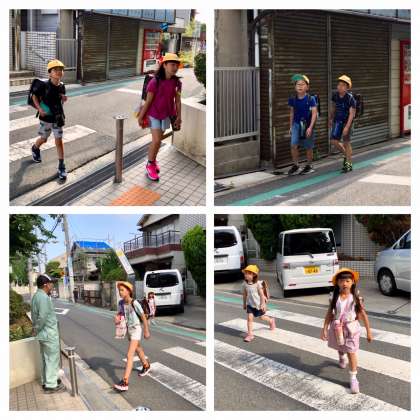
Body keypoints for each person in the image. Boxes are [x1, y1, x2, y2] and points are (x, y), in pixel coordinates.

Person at [321, 268, 373, 394]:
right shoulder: (334, 297)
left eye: (347, 281)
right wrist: (325, 328)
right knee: (340, 346)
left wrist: (368, 331)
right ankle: (341, 356)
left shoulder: (356, 298)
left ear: (352, 282)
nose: (344, 283)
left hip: (352, 329)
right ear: (337, 283)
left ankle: (353, 378)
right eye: (341, 281)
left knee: (351, 352)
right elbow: (330, 313)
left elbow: (363, 314)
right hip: (338, 328)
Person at [137, 53, 182, 181]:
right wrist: (141, 117)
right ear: (164, 65)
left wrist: (179, 117)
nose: (175, 68)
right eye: (172, 65)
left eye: (176, 65)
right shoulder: (155, 82)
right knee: (156, 140)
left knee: (159, 140)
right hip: (154, 114)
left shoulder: (177, 83)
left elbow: (178, 101)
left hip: (167, 115)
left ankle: (153, 160)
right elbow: (148, 101)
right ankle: (150, 164)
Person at [30, 59, 68, 181]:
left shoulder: (62, 86)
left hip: (57, 118)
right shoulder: (44, 86)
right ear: (50, 73)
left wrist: (63, 98)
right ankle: (35, 148)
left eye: (61, 69)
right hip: (46, 118)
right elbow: (34, 96)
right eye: (55, 70)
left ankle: (61, 166)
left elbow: (60, 100)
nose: (59, 71)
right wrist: (39, 108)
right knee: (44, 139)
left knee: (59, 141)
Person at [114, 281, 151, 392]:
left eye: (122, 290)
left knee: (130, 355)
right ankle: (146, 365)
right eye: (119, 290)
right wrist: (117, 318)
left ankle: (125, 382)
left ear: (128, 291)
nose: (120, 292)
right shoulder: (121, 303)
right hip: (128, 329)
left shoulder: (134, 303)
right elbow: (120, 314)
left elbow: (143, 316)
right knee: (138, 349)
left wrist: (146, 331)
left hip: (136, 329)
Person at [31, 274, 64, 394]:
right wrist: (36, 329)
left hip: (43, 334)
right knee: (52, 359)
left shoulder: (36, 296)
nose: (52, 285)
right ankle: (51, 385)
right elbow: (43, 317)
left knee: (46, 359)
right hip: (48, 333)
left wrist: (36, 329)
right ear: (46, 285)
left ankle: (48, 380)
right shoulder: (44, 298)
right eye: (51, 283)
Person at [287, 74, 318, 176]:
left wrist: (310, 127)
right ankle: (296, 165)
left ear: (307, 87)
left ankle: (309, 165)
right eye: (298, 84)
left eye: (302, 84)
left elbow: (314, 113)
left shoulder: (310, 99)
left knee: (308, 146)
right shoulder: (292, 99)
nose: (300, 86)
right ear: (295, 87)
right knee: (293, 144)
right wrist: (290, 126)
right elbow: (292, 113)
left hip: (307, 125)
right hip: (296, 124)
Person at [329, 75, 356, 173]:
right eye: (339, 84)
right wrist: (331, 118)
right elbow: (333, 107)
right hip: (337, 121)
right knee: (333, 141)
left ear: (347, 87)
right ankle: (346, 155)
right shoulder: (335, 95)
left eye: (343, 85)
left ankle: (349, 164)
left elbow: (352, 114)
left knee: (346, 142)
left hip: (347, 122)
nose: (340, 87)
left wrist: (347, 127)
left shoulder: (350, 98)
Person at [242, 265, 275, 342]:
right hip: (250, 305)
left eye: (248, 273)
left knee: (261, 317)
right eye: (245, 273)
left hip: (258, 304)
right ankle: (250, 334)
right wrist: (244, 304)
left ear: (254, 275)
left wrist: (263, 304)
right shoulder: (244, 284)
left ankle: (271, 321)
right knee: (249, 318)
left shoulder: (257, 284)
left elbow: (261, 295)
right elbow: (244, 295)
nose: (246, 275)